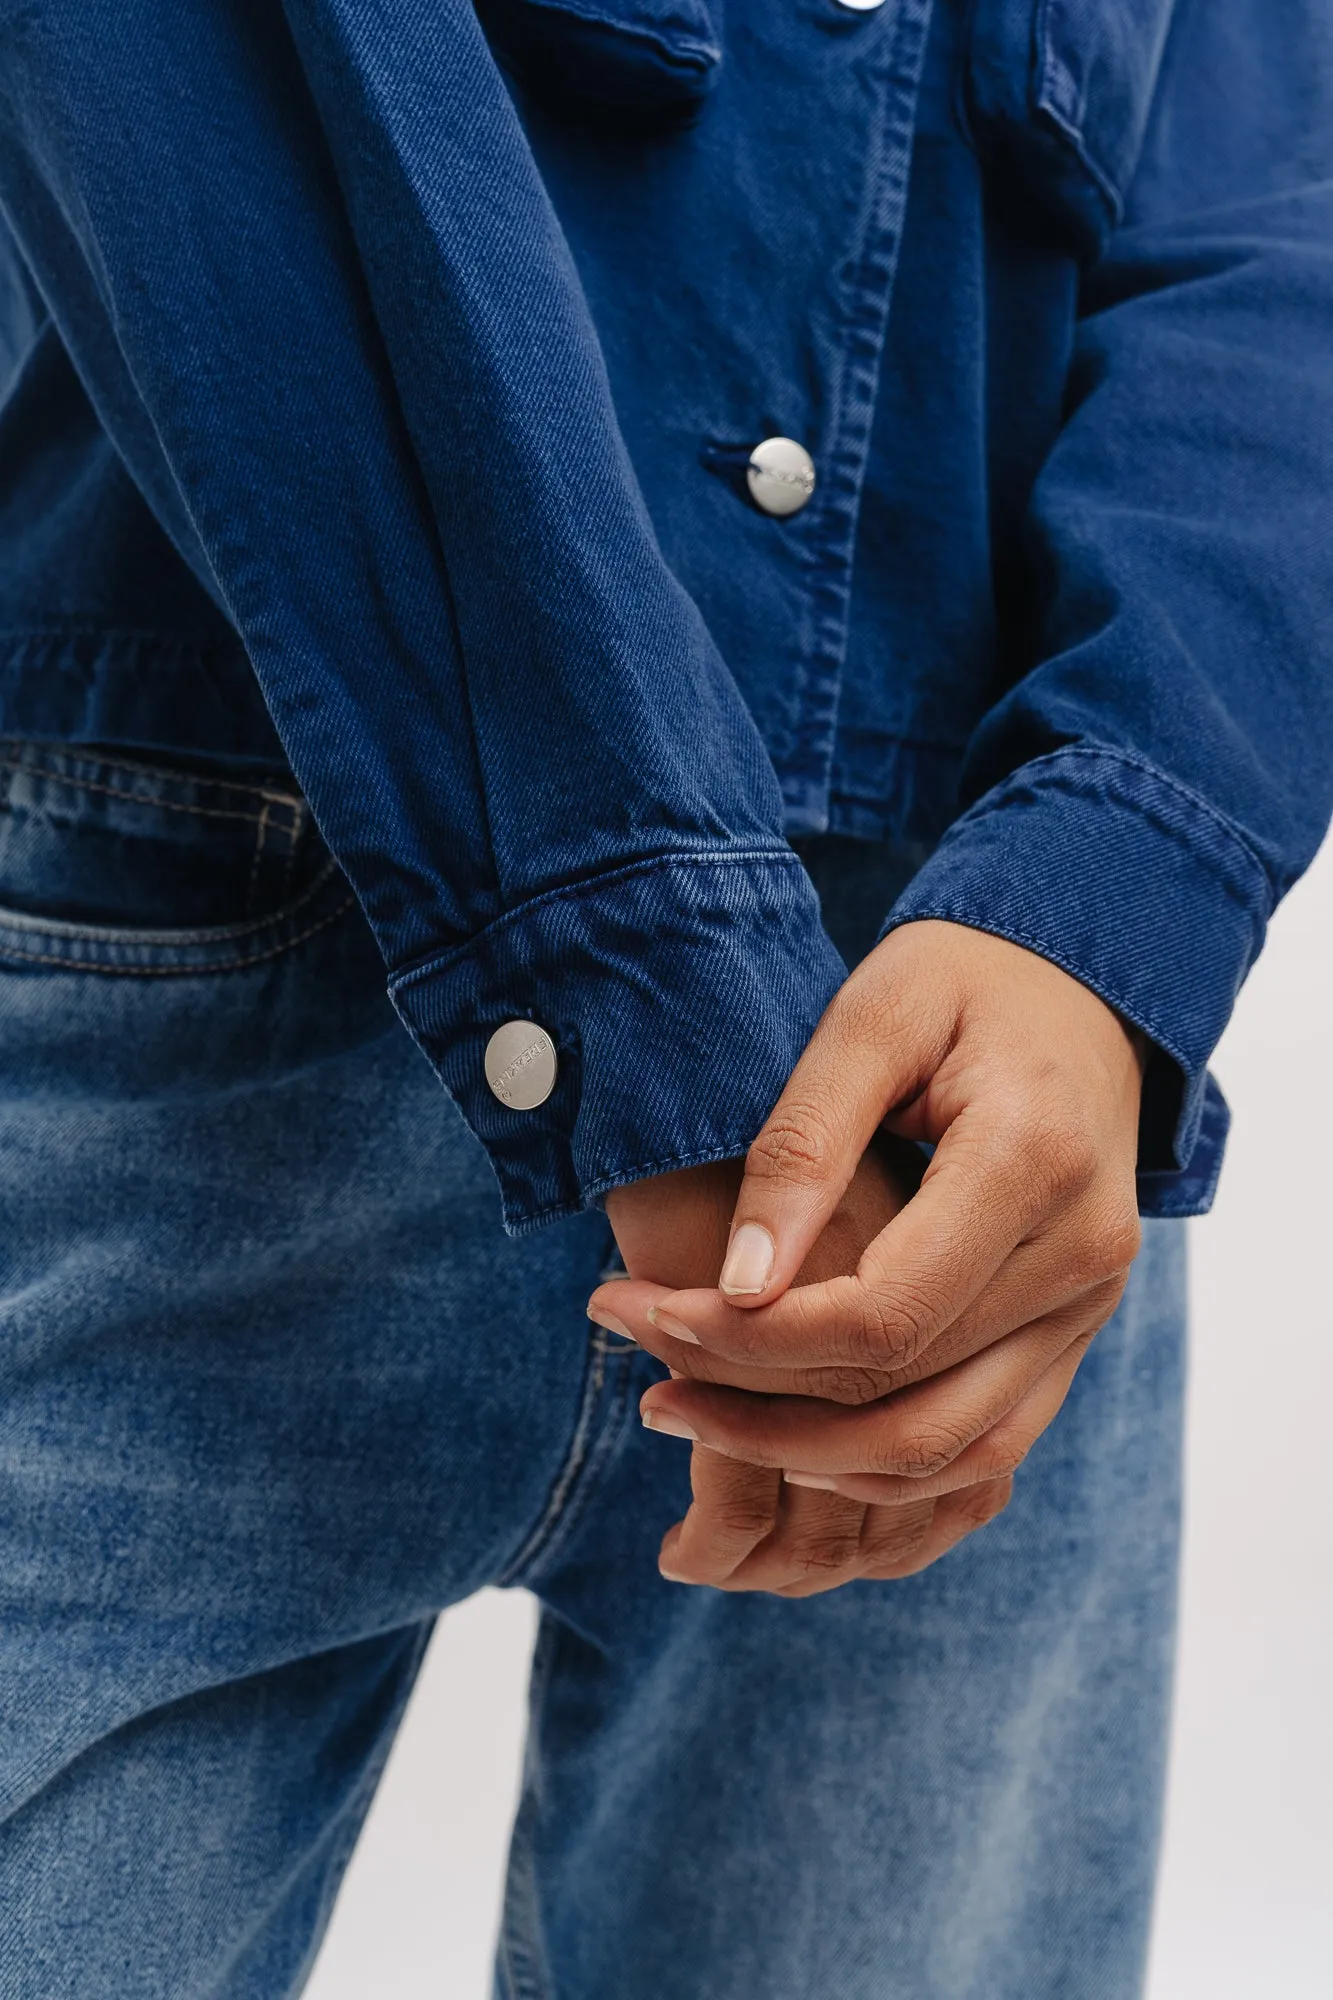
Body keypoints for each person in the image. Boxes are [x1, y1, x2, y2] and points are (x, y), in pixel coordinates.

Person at [0, 0, 1328, 1992]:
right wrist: (633, 943)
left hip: (975, 1062)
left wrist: (1117, 880)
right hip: (207, 905)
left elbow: (1282, 136)